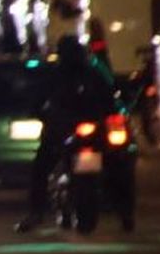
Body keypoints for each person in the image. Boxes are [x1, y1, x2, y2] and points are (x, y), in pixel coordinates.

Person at [15, 36, 118, 233]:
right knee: (42, 166)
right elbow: (110, 99)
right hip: (64, 132)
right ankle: (36, 212)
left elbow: (110, 100)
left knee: (41, 168)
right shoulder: (79, 74)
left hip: (82, 133)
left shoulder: (80, 74)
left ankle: (36, 212)